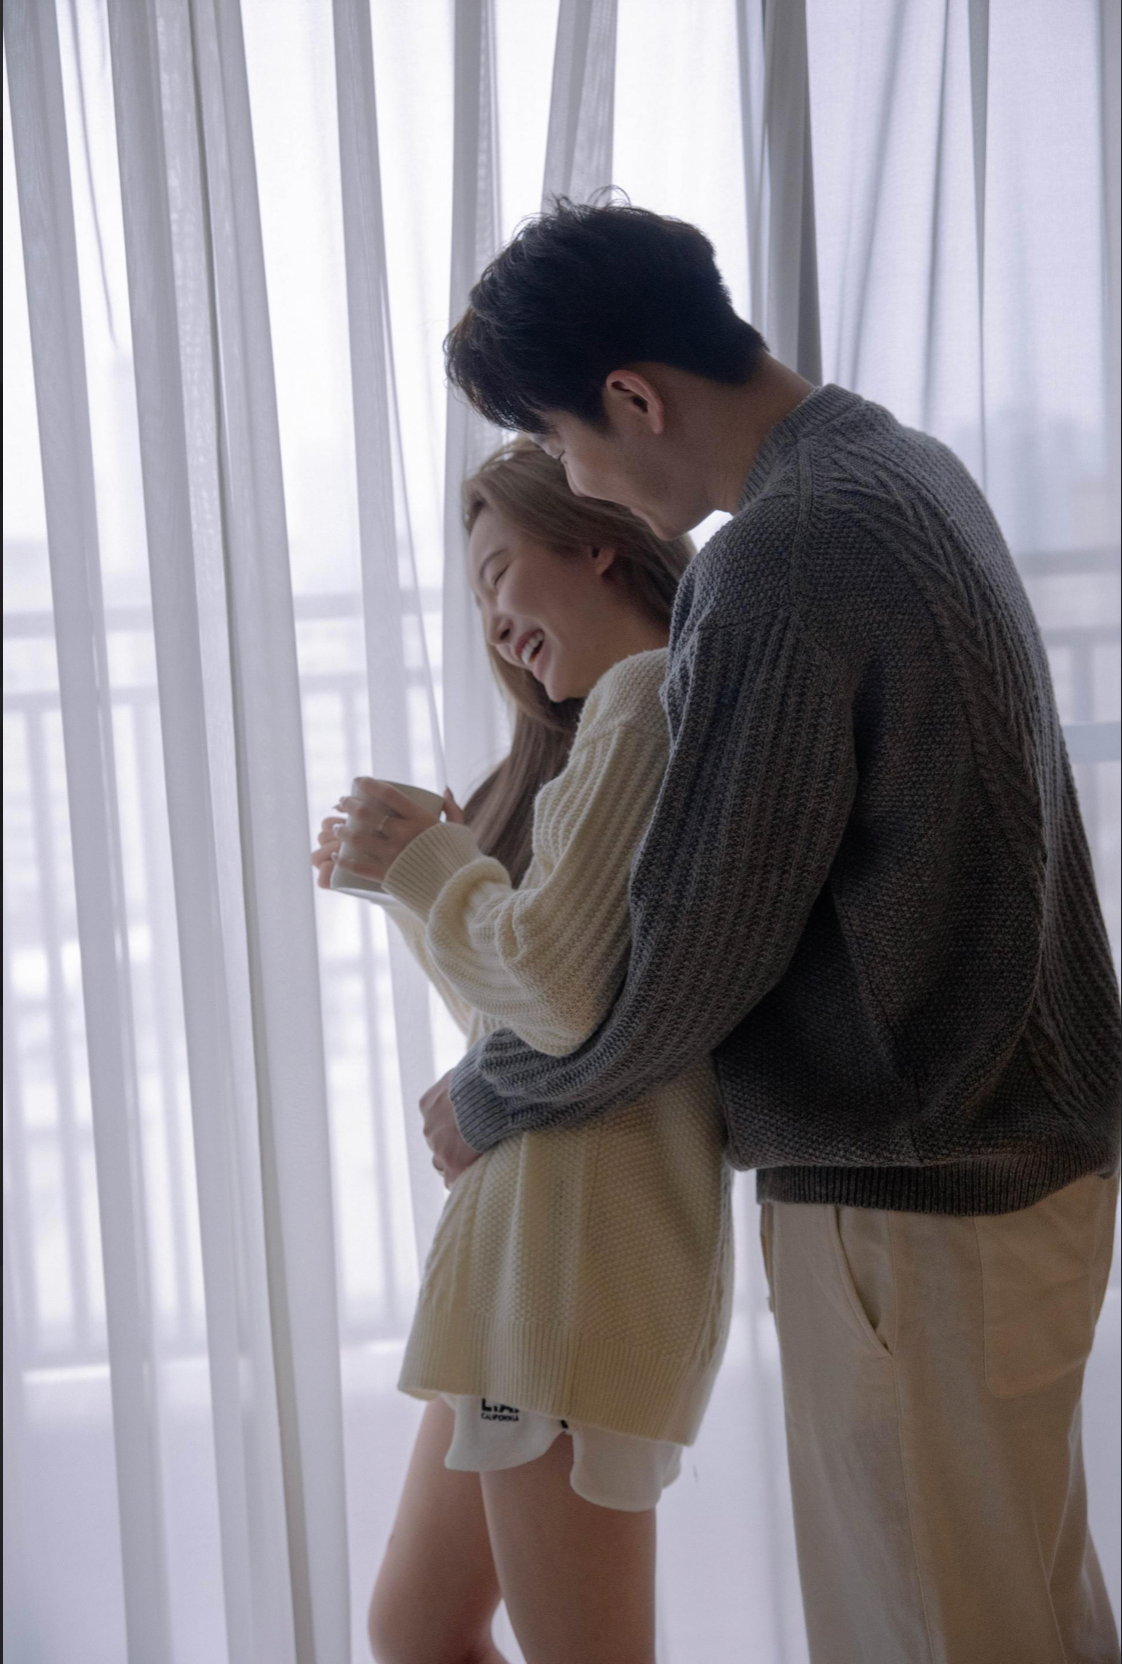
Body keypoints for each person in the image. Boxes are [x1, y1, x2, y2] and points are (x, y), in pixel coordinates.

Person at [415, 200, 1122, 1663]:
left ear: (634, 398)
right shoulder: (903, 467)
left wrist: (491, 1094)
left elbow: (689, 961)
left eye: (561, 441)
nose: (575, 479)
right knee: (1016, 1608)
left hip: (918, 1192)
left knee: (933, 1629)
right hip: (1013, 1154)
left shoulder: (785, 553)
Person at [312, 441, 733, 1664]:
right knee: (417, 1625)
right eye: (478, 594)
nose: (493, 619)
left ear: (595, 542)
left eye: (500, 571)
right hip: (534, 1271)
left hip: (570, 1270)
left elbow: (554, 994)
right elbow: (526, 1013)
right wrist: (411, 880)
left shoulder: (644, 699)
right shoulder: (619, 720)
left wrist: (428, 866)